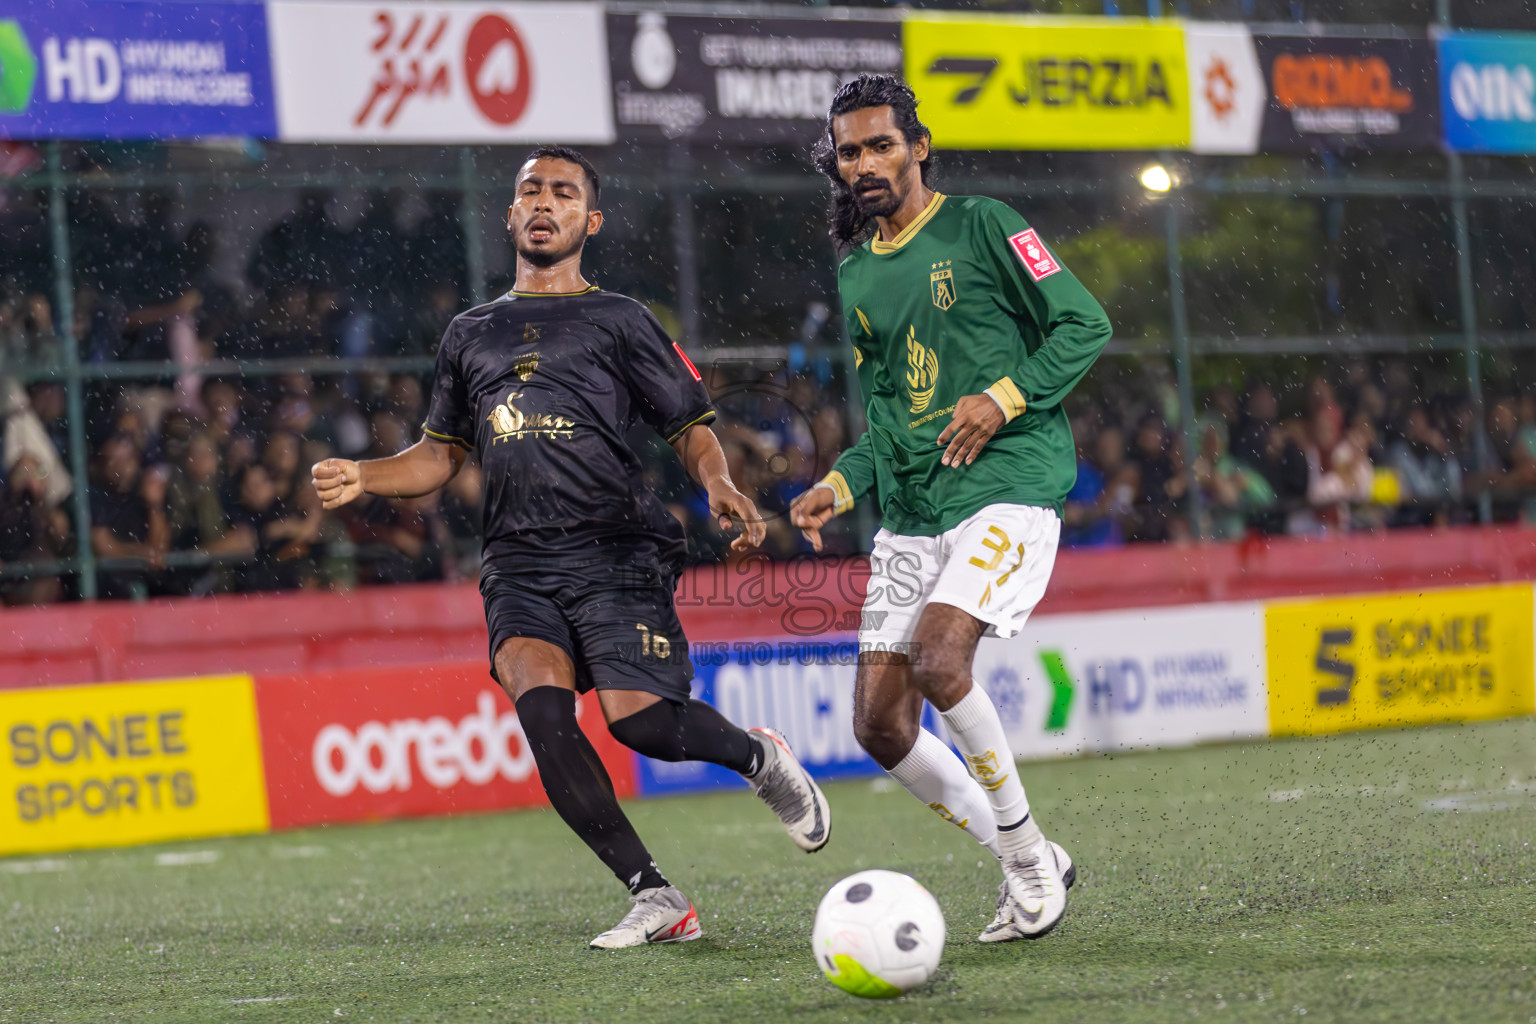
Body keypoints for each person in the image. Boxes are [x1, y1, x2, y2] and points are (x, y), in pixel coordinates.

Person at [312, 146, 830, 950]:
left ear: (589, 221)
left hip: (615, 549)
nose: (543, 202)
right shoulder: (468, 333)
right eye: (530, 191)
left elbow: (689, 425)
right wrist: (365, 476)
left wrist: (719, 484)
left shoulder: (620, 318)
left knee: (641, 727)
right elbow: (439, 454)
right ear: (511, 217)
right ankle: (654, 895)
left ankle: (758, 759)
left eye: (562, 192)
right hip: (516, 563)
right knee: (546, 717)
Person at [790, 75, 1112, 943]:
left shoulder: (987, 225)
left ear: (918, 146)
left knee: (940, 657)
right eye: (849, 152)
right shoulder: (858, 273)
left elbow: (1084, 325)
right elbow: (888, 420)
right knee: (879, 726)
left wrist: (1003, 396)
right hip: (913, 511)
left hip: (1009, 485)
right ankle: (1034, 850)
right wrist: (841, 485)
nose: (865, 163)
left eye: (881, 145)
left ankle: (1026, 863)